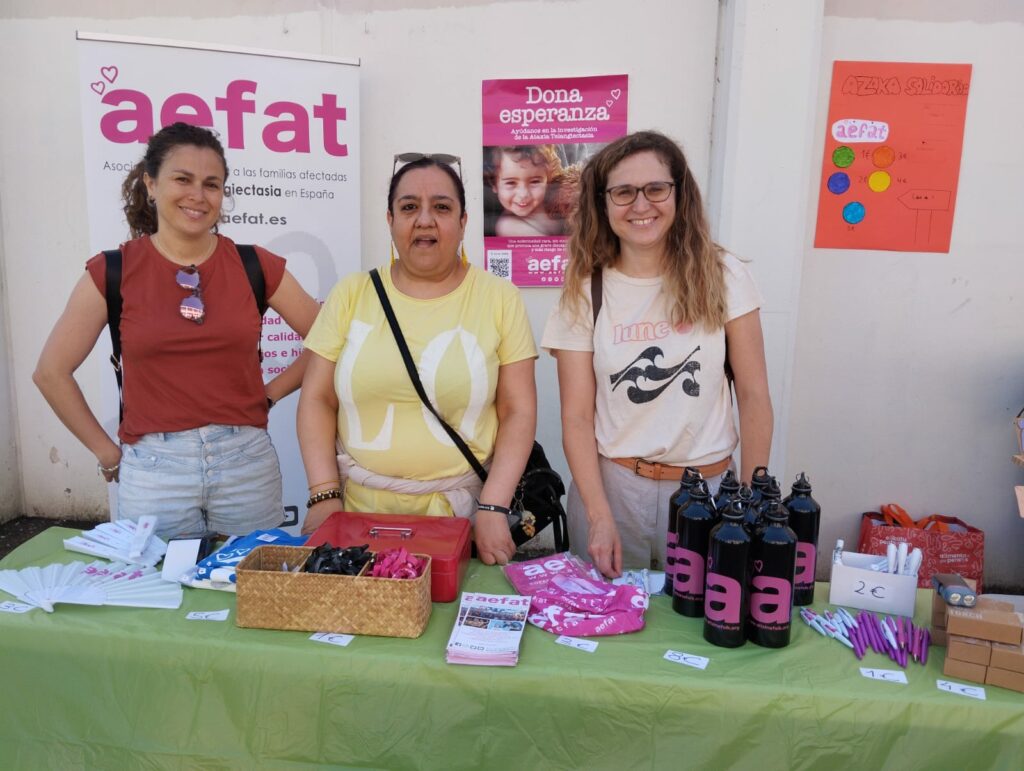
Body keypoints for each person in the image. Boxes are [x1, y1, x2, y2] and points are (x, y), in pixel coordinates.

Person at [34, 122, 320, 539]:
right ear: (151, 184)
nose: (198, 195)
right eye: (182, 179)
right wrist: (106, 452)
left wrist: (271, 393)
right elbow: (51, 372)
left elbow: (328, 340)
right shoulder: (113, 270)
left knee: (253, 580)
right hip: (154, 474)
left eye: (211, 184)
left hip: (246, 465)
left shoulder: (254, 265)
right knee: (156, 583)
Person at [542, 130, 773, 578]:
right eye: (624, 192)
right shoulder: (585, 290)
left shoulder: (724, 275)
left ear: (679, 194)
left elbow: (754, 395)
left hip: (707, 493)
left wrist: (751, 498)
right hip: (612, 491)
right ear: (603, 203)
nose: (640, 205)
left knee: (703, 615)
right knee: (605, 616)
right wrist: (598, 515)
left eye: (655, 189)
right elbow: (577, 418)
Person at [297, 153, 538, 566]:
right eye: (409, 207)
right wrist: (323, 493)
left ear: (463, 221)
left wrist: (494, 506)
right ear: (390, 220)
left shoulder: (499, 298)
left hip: (461, 517)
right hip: (357, 515)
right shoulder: (352, 294)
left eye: (441, 207)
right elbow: (318, 397)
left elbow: (518, 410)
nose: (425, 220)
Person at [483, 145, 575, 237]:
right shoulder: (508, 226)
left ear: (548, 180)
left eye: (535, 182)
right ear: (494, 184)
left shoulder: (554, 200)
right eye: (511, 183)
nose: (523, 194)